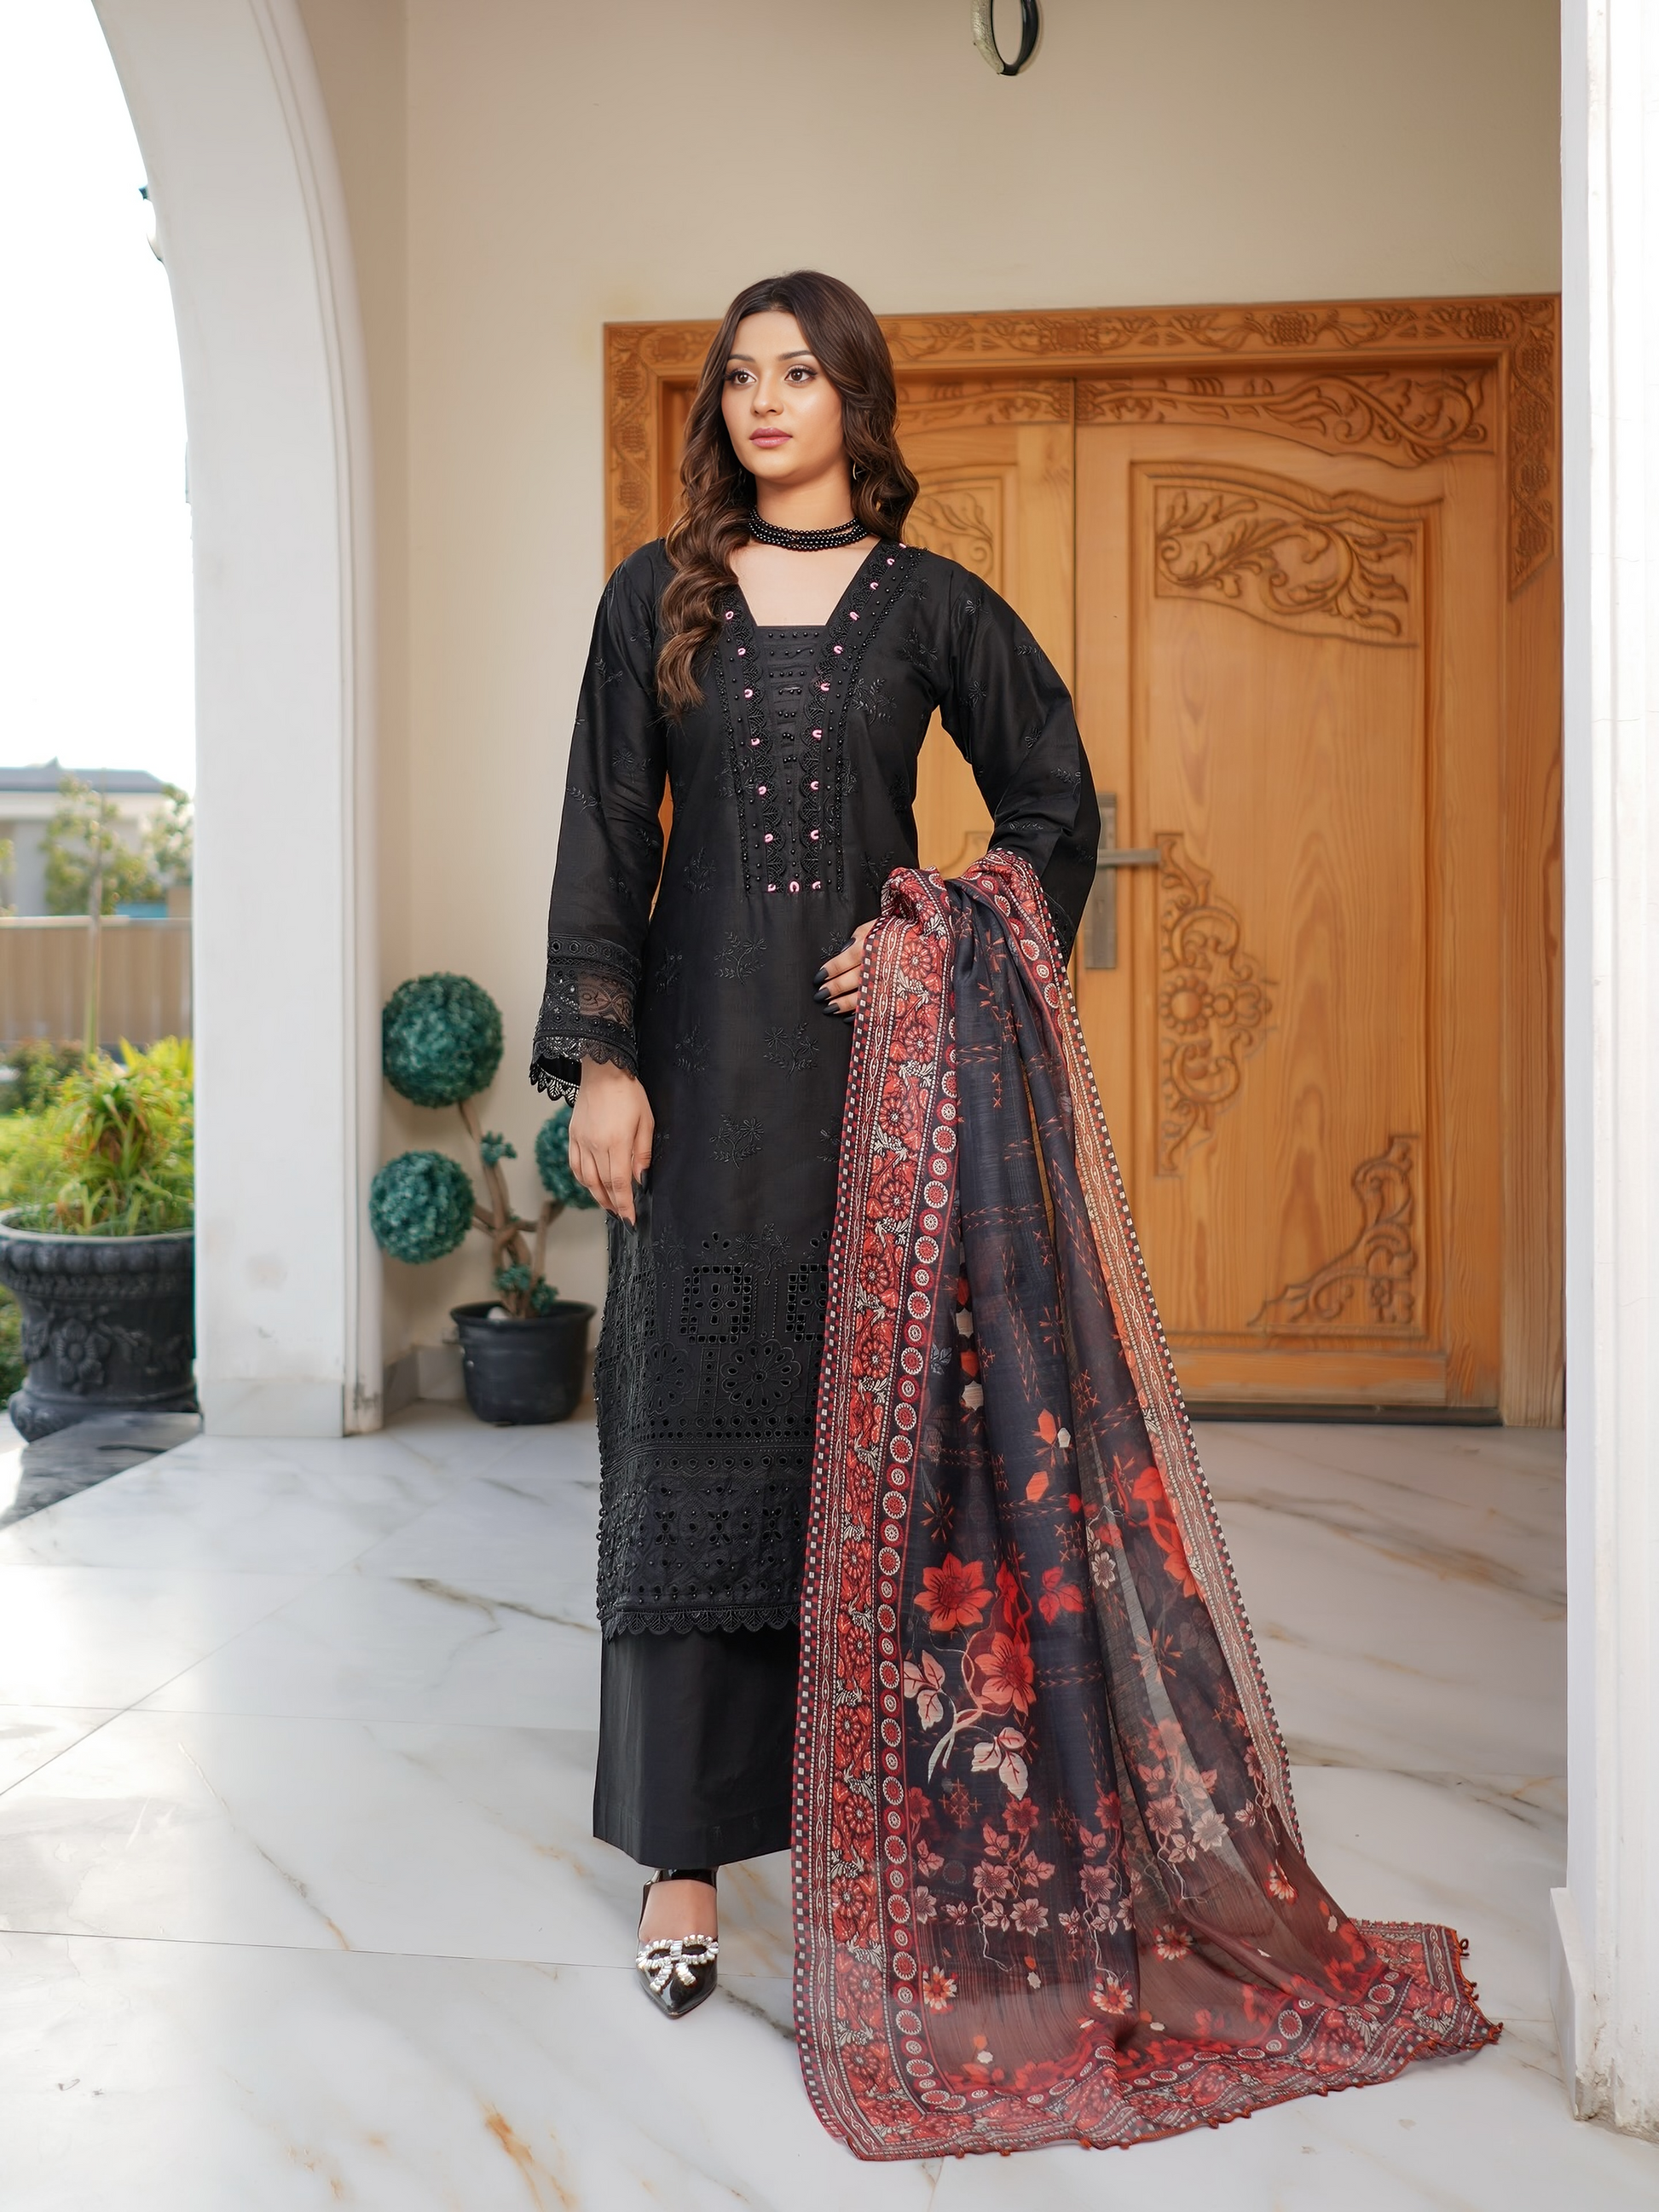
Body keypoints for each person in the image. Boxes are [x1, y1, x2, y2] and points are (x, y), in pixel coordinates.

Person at [531, 269, 1100, 2017]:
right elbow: (604, 829)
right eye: (739, 375)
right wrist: (600, 1062)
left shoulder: (930, 605)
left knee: (884, 1450)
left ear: (855, 396)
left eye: (798, 371)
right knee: (684, 1451)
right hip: (698, 1093)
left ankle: (892, 1842)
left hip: (877, 1099)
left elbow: (1055, 800)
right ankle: (680, 1857)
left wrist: (936, 933)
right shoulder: (658, 595)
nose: (764, 399)